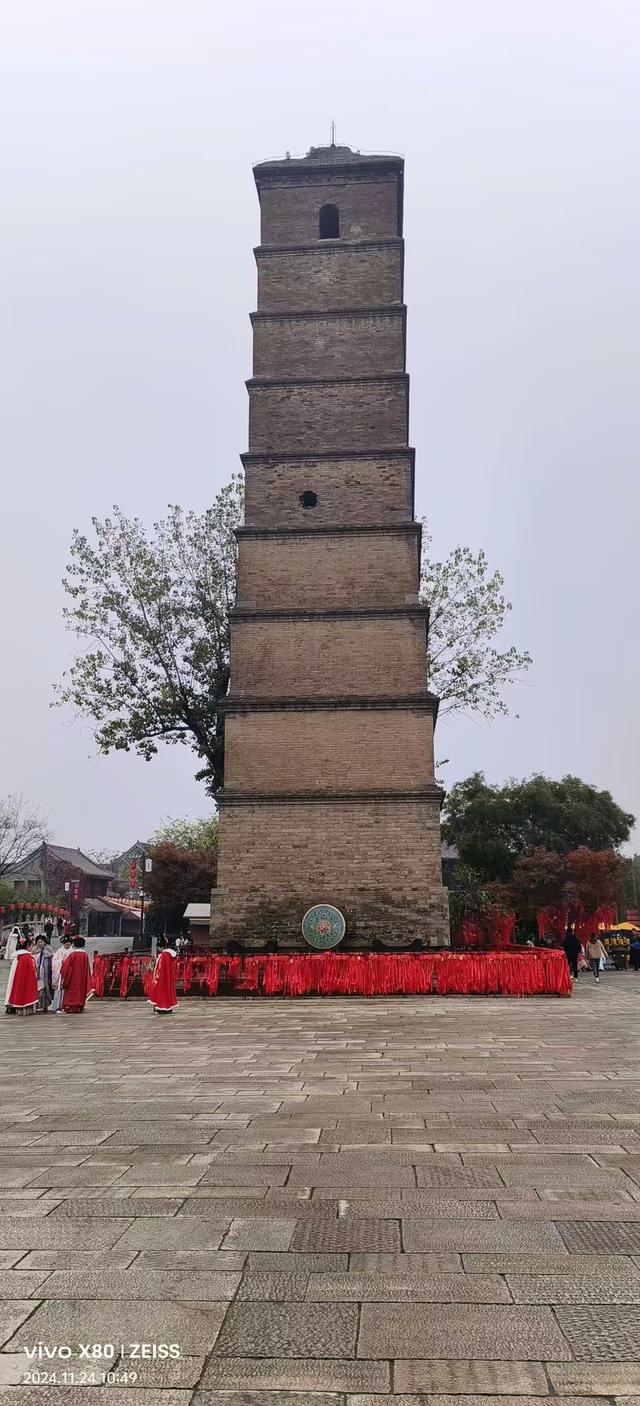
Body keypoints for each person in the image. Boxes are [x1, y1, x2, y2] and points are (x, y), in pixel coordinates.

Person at [5, 936, 39, 1016]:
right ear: (28, 946)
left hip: (16, 979)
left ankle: (16, 1009)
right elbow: (32, 969)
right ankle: (26, 1010)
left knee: (16, 989)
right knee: (26, 992)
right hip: (27, 979)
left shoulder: (17, 956)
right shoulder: (28, 957)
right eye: (31, 945)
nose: (32, 947)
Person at [60, 936, 93, 1013]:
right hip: (81, 978)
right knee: (80, 991)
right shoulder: (84, 955)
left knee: (71, 991)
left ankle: (70, 1006)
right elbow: (86, 968)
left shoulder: (72, 954)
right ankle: (79, 1006)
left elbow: (65, 967)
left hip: (72, 978)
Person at [148, 935, 178, 1014]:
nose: (158, 949)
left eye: (158, 948)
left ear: (161, 947)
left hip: (162, 977)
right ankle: (166, 1008)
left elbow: (161, 967)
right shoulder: (165, 955)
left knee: (162, 993)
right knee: (165, 993)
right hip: (164, 977)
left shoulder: (165, 954)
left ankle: (162, 1008)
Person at [51, 936, 73, 1013]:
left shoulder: (72, 951)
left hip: (69, 973)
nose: (67, 944)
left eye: (69, 942)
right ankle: (58, 1007)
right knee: (59, 989)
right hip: (60, 973)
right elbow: (54, 962)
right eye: (65, 942)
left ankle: (67, 1006)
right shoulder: (59, 951)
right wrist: (62, 961)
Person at [34, 937, 54, 1012]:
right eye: (38, 942)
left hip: (45, 973)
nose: (40, 944)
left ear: (45, 942)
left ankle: (45, 1005)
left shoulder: (48, 950)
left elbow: (52, 960)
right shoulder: (34, 950)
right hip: (36, 972)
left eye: (41, 942)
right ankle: (36, 1005)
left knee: (44, 989)